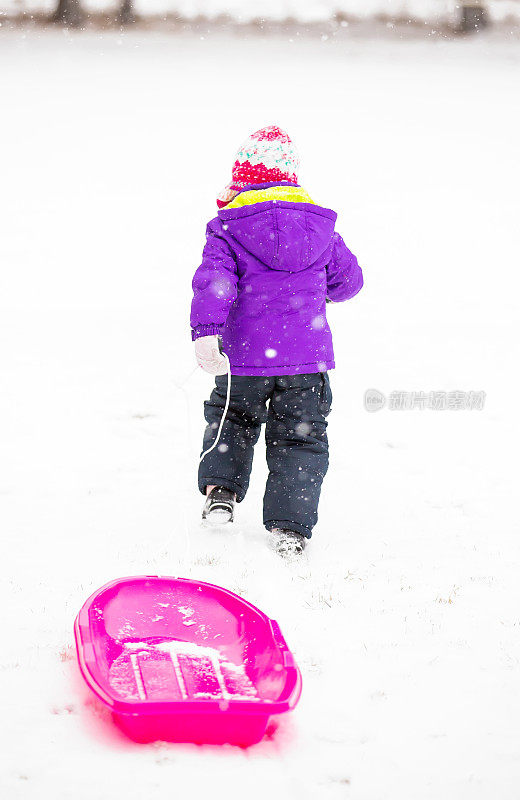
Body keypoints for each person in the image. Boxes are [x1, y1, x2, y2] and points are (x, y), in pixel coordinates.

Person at [190, 125, 363, 556]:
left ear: (241, 179)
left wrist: (206, 333)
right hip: (305, 359)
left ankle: (221, 491)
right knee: (300, 436)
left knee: (233, 420)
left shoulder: (228, 227)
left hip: (246, 359)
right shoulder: (321, 229)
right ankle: (290, 526)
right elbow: (348, 284)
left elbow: (215, 282)